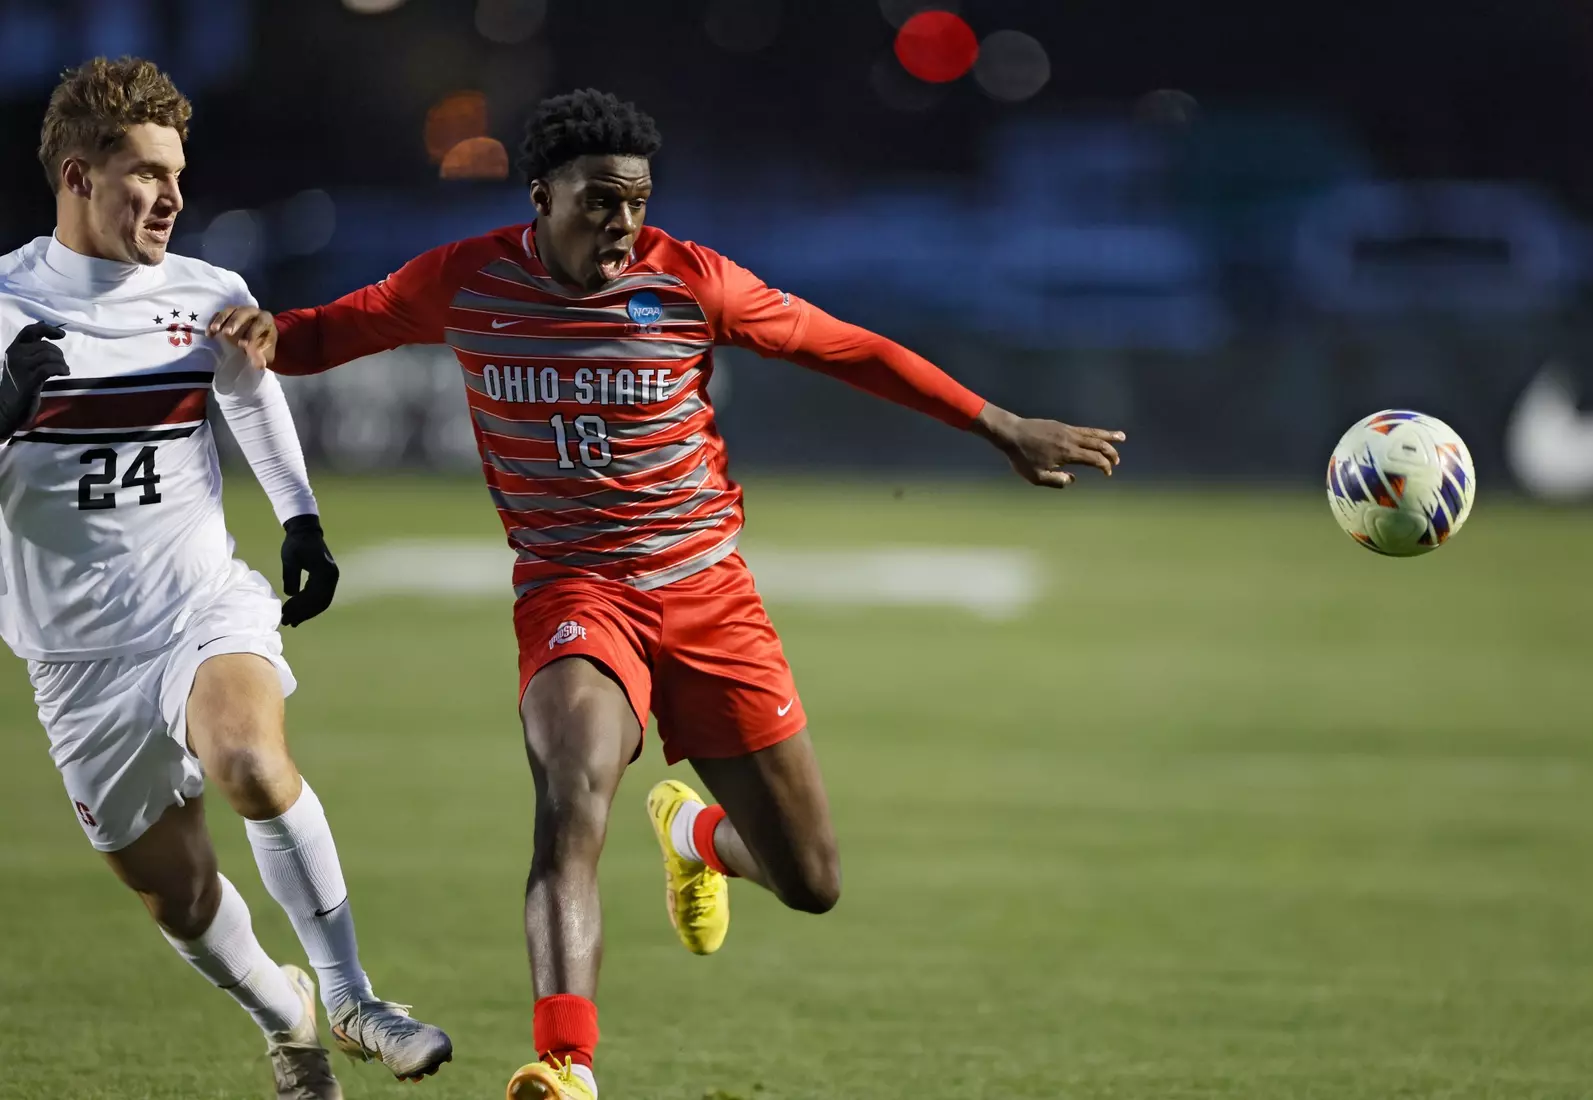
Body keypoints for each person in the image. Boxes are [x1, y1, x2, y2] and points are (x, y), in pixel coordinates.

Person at [215, 88, 1124, 1100]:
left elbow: (848, 347)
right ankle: (564, 1063)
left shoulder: (695, 281)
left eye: (637, 202)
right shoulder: (465, 280)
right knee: (569, 803)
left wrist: (999, 423)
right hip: (573, 592)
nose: (622, 222)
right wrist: (257, 334)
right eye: (600, 199)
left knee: (811, 879)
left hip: (707, 594)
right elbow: (325, 333)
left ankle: (697, 835)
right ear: (540, 195)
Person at [0, 57, 452, 1099]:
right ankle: (282, 1010)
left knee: (249, 754)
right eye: (147, 174)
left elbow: (249, 391)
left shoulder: (210, 294)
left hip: (199, 604)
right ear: (77, 176)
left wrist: (300, 518)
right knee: (180, 893)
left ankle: (350, 994)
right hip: (74, 659)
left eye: (177, 174)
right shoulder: (9, 304)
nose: (171, 196)